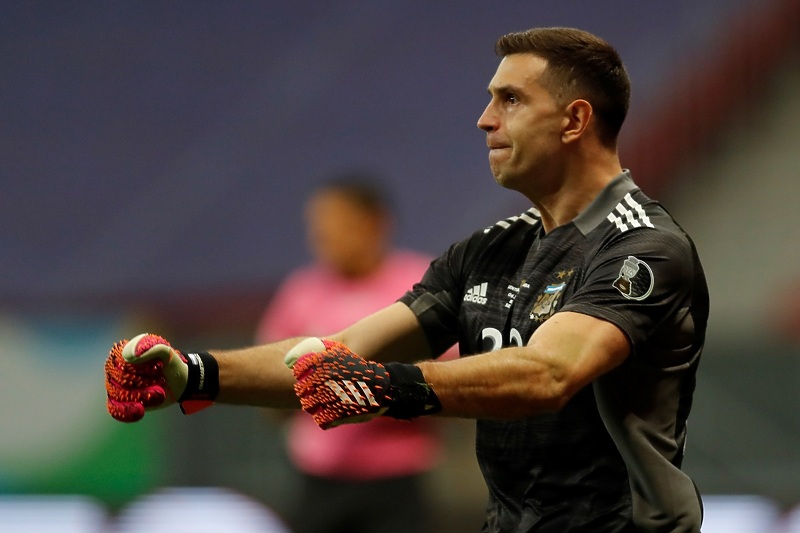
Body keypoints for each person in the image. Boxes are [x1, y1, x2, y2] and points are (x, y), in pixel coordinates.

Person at [105, 27, 709, 532]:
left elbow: (550, 373)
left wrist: (388, 387)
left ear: (575, 120)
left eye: (510, 100)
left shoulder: (643, 247)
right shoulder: (489, 251)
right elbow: (335, 357)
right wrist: (192, 374)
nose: (484, 120)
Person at [255, 175, 442, 533]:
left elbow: (454, 374)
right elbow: (269, 380)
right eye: (317, 226)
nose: (321, 236)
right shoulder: (301, 291)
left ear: (374, 223)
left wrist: (375, 389)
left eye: (334, 224)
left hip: (396, 480)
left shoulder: (420, 281)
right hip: (318, 479)